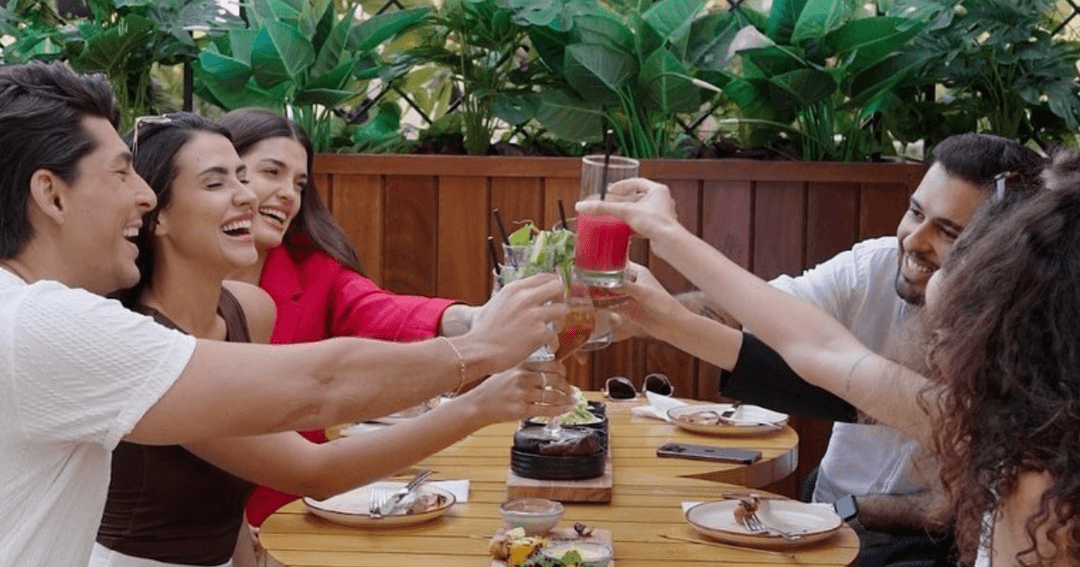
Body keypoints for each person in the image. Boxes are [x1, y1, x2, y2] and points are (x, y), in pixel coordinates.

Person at [0, 61, 569, 565]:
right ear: (51, 196)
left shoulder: (240, 306)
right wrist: (479, 355)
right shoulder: (44, 325)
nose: (142, 197)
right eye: (122, 174)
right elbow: (320, 390)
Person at [578, 166, 1080, 566]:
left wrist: (670, 245)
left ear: (1009, 330)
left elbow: (823, 350)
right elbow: (820, 349)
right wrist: (667, 297)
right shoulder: (1004, 434)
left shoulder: (1021, 471)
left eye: (962, 252)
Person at [213, 108, 491, 531]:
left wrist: (476, 320)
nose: (289, 194)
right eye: (272, 172)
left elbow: (381, 311)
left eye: (300, 183)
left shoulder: (314, 272)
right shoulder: (162, 294)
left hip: (291, 520)